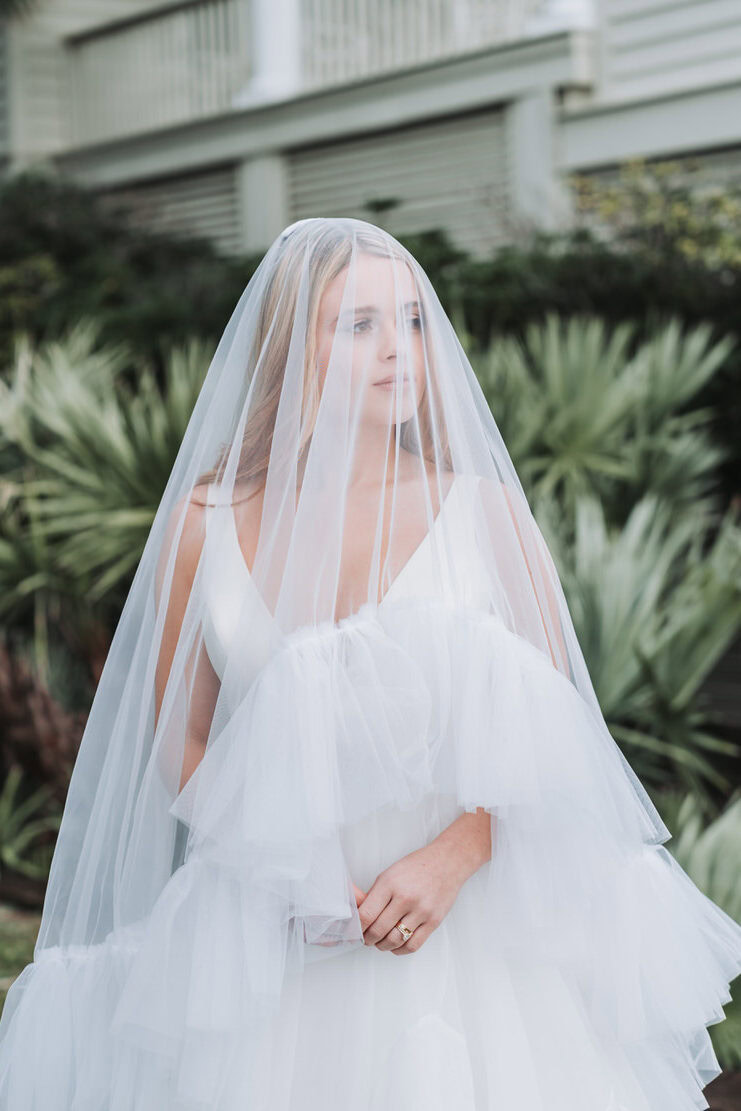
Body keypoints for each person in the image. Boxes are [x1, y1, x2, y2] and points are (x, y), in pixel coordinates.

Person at [0, 216, 739, 1110]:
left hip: (483, 939)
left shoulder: (485, 512)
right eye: (360, 326)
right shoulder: (204, 523)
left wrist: (456, 855)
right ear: (290, 350)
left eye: (413, 321)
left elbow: (564, 743)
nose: (400, 352)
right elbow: (179, 738)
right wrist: (286, 870)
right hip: (287, 943)